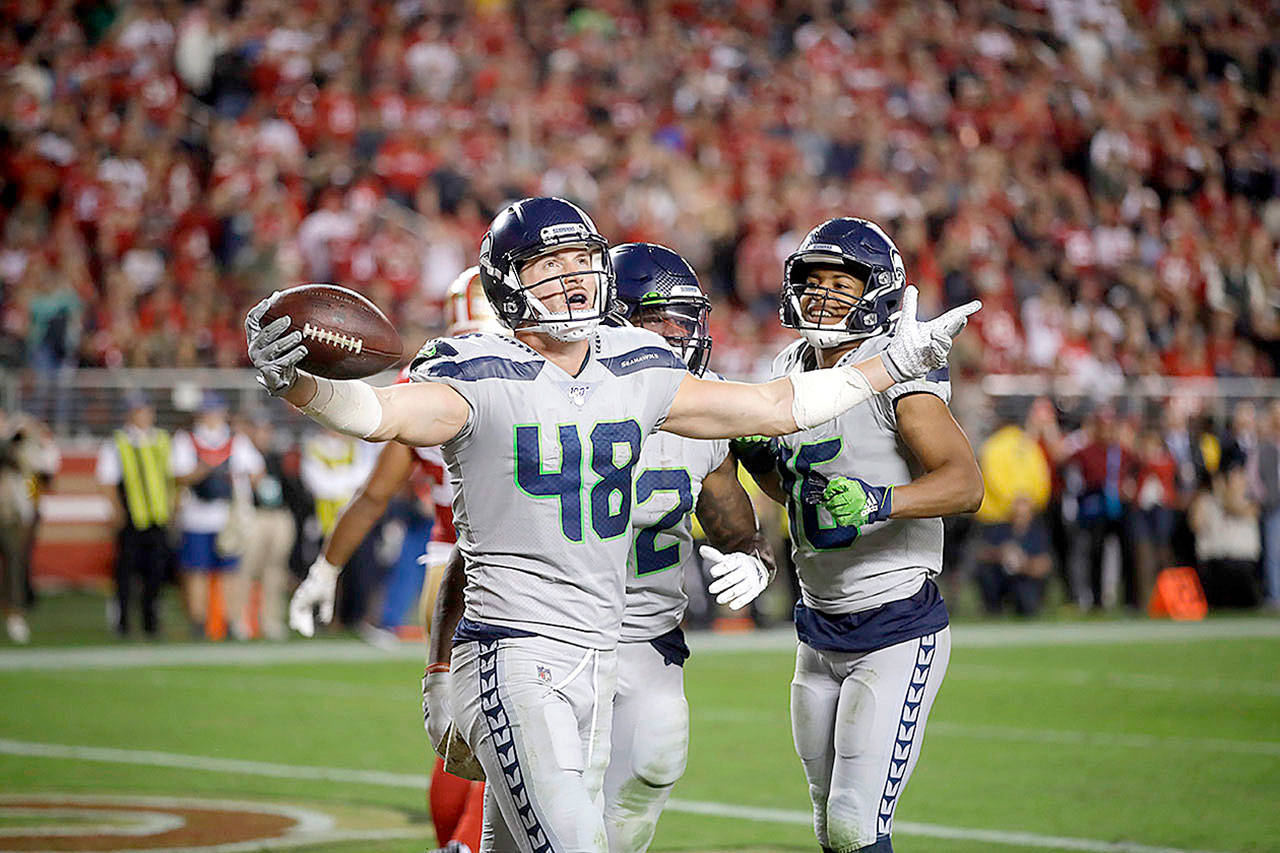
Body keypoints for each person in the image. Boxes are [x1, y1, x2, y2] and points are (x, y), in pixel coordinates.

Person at [247, 197, 978, 851]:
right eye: (548, 265)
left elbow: (773, 409)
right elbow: (379, 415)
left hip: (601, 654)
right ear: (507, 282)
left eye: (580, 261)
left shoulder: (636, 366)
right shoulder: (471, 365)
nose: (570, 279)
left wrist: (893, 363)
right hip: (515, 649)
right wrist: (305, 386)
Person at [738, 217, 984, 853]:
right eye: (812, 281)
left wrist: (882, 501)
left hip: (894, 623)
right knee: (828, 824)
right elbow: (793, 491)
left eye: (840, 283)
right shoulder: (790, 363)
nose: (822, 296)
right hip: (817, 625)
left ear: (877, 290)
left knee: (855, 824)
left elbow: (965, 482)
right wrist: (761, 460)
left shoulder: (898, 372)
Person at [296, 266, 498, 853]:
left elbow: (375, 495)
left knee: (460, 732)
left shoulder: (430, 377)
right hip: (506, 567)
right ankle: (465, 844)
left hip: (444, 568)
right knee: (513, 728)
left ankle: (450, 842)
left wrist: (325, 568)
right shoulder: (530, 373)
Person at [598, 243, 777, 850]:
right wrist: (444, 668)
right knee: (552, 807)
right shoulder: (556, 401)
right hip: (561, 633)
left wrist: (755, 558)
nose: (680, 334)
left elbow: (733, 524)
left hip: (649, 634)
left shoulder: (701, 412)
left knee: (655, 763)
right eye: (660, 318)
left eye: (687, 317)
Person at [170, 392, 264, 638]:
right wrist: (205, 470)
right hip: (197, 514)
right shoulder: (186, 440)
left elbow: (256, 472)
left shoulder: (236, 440)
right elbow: (178, 474)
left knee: (230, 573)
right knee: (196, 571)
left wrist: (239, 480)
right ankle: (199, 622)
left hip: (227, 518)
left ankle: (231, 621)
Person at [95, 391, 173, 639]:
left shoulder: (161, 439)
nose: (145, 416)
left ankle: (151, 621)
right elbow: (107, 481)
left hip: (157, 515)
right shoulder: (117, 442)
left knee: (156, 571)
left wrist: (172, 506)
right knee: (126, 571)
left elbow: (172, 477)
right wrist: (117, 511)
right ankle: (123, 622)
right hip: (131, 515)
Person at [0, 412, 59, 644]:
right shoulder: (10, 444)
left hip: (12, 513)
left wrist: (32, 438)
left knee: (15, 564)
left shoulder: (25, 448)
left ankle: (15, 615)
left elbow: (41, 472)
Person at [236, 416, 296, 640]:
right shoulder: (243, 455)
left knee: (275, 571)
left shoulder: (276, 458)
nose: (265, 436)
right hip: (254, 516)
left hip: (278, 516)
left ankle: (271, 621)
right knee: (246, 569)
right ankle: (241, 620)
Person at [975, 496, 1053, 616]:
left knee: (1027, 600)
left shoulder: (1037, 534)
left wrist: (1024, 564)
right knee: (986, 573)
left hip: (1025, 578)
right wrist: (1000, 553)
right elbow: (980, 552)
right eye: (1016, 515)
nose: (1019, 519)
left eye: (1023, 515)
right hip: (1001, 576)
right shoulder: (1001, 530)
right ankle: (992, 609)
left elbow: (1045, 564)